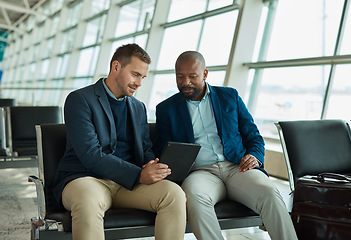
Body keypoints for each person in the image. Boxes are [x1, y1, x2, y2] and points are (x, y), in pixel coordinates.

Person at [153, 51, 298, 240]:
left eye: (192, 76)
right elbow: (161, 150)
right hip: (199, 173)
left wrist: (254, 156)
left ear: (205, 74)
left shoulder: (229, 96)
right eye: (180, 77)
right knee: (195, 199)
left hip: (237, 167)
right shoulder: (166, 109)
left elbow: (253, 136)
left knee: (269, 192)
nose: (185, 82)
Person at [53, 44, 186, 240]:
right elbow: (91, 155)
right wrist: (140, 175)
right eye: (135, 74)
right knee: (88, 200)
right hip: (86, 179)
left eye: (142, 77)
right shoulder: (80, 100)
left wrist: (154, 168)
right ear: (116, 67)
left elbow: (146, 147)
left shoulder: (138, 107)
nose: (139, 82)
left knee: (174, 194)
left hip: (128, 184)